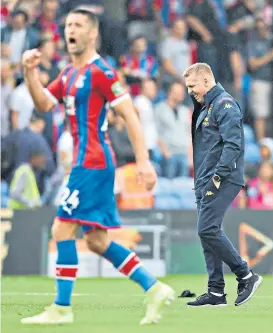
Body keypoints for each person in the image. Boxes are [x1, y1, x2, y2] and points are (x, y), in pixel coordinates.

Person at [21, 8, 174, 325]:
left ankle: (61, 309)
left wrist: (144, 162)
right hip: (86, 161)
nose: (69, 30)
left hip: (92, 162)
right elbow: (42, 104)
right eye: (66, 26)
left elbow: (130, 115)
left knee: (62, 228)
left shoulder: (101, 72)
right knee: (96, 241)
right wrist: (30, 73)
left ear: (92, 34)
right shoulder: (67, 74)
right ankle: (154, 287)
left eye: (77, 25)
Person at [183, 63, 262, 307]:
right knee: (208, 233)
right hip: (205, 178)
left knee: (207, 229)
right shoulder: (207, 106)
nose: (189, 91)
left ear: (206, 81)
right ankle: (216, 291)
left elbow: (233, 145)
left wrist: (217, 178)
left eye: (192, 86)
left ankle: (246, 275)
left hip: (222, 178)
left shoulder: (224, 104)